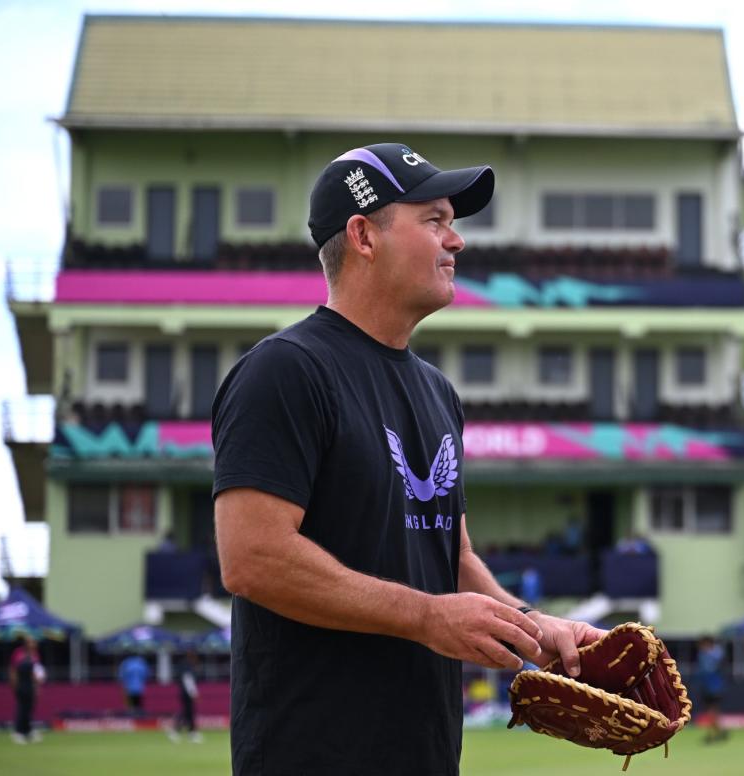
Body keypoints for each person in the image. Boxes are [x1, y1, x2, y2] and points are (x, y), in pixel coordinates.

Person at [212, 141, 605, 775]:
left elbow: (451, 559)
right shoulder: (283, 371)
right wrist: (424, 617)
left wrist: (536, 631)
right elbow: (252, 558)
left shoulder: (437, 391)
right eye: (434, 221)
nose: (457, 242)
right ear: (363, 236)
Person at [8, 635, 45, 744]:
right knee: (22, 709)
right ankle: (18, 732)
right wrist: (14, 685)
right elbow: (13, 670)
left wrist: (37, 686)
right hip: (21, 685)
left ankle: (27, 731)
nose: (34, 644)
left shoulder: (35, 655)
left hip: (31, 686)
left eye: (34, 642)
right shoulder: (18, 653)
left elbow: (36, 673)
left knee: (29, 709)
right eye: (31, 642)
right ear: (26, 644)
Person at [694, 635, 729, 744]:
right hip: (707, 686)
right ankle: (719, 731)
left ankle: (713, 734)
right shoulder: (704, 654)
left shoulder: (714, 654)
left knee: (712, 711)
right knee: (712, 711)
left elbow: (710, 668)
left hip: (714, 687)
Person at [167, 650, 201, 743]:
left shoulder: (183, 665)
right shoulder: (187, 666)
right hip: (187, 693)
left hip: (184, 692)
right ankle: (178, 731)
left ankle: (191, 732)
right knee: (187, 712)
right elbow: (188, 680)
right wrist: (193, 693)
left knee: (187, 713)